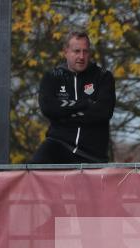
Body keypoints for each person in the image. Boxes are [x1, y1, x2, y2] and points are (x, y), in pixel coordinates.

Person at [30, 31, 116, 164]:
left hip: (93, 154)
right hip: (58, 145)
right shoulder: (52, 77)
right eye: (76, 51)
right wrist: (86, 104)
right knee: (32, 171)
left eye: (85, 51)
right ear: (66, 52)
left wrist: (64, 114)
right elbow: (49, 109)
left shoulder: (103, 77)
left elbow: (104, 112)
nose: (81, 56)